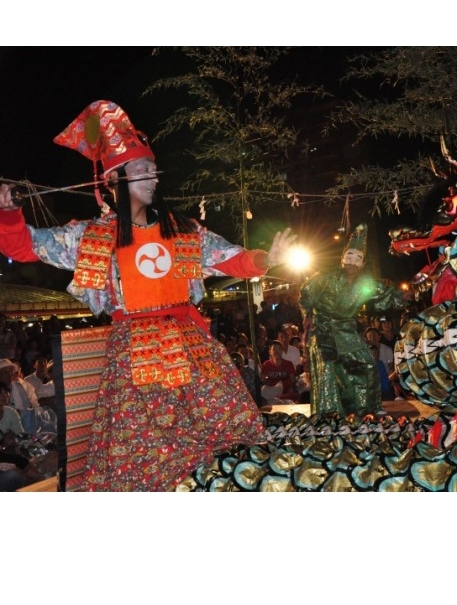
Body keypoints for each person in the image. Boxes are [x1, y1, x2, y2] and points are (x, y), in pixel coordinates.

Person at [0, 99, 297, 491]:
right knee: (139, 449)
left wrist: (266, 258)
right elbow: (25, 248)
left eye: (153, 167)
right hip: (133, 354)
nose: (153, 175)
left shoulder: (183, 229)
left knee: (218, 436)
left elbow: (232, 259)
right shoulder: (92, 237)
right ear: (114, 177)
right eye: (142, 169)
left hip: (191, 347)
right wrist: (7, 214)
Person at [299, 223, 407, 417]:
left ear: (363, 264)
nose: (352, 262)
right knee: (328, 367)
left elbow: (386, 295)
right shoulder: (325, 277)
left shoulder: (365, 284)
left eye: (357, 259)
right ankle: (328, 414)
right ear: (342, 259)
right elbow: (306, 293)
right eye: (349, 256)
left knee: (365, 363)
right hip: (323, 330)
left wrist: (406, 293)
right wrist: (308, 315)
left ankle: (367, 408)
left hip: (346, 330)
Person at [260, 340, 298, 404]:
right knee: (264, 391)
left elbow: (293, 382)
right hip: (272, 395)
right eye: (274, 349)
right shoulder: (266, 364)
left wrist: (288, 392)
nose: (277, 351)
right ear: (270, 352)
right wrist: (265, 379)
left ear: (282, 351)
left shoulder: (288, 364)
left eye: (279, 349)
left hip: (286, 394)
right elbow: (263, 380)